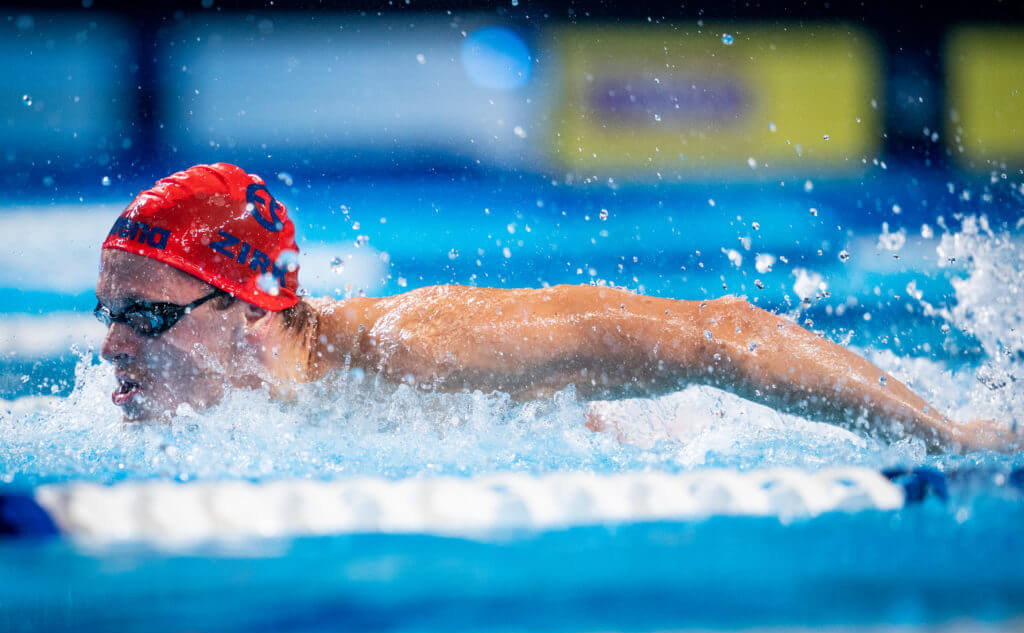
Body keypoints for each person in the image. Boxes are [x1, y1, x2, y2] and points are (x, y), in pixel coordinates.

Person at [95, 163, 1019, 454]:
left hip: (708, 446)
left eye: (143, 317)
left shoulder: (415, 348)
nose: (107, 347)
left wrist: (951, 436)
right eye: (104, 314)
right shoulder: (225, 419)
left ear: (253, 309)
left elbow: (723, 331)